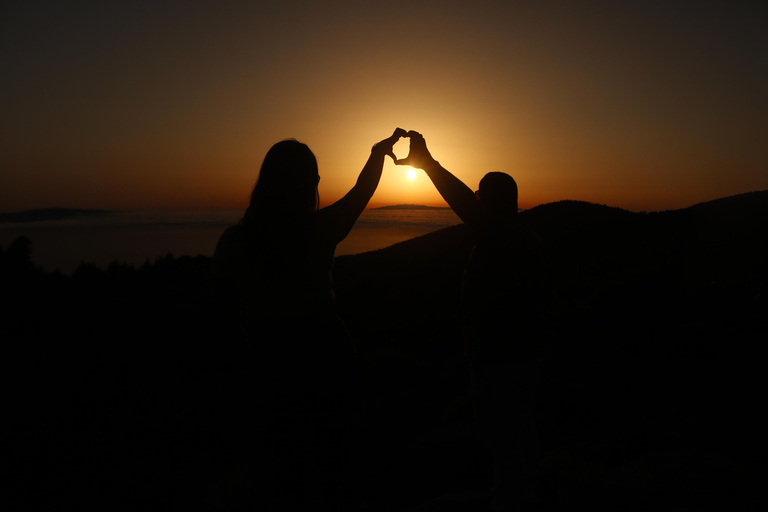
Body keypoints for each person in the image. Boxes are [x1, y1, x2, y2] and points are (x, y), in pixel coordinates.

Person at [212, 129, 406, 511]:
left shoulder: (233, 243)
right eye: (314, 178)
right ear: (306, 184)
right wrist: (377, 153)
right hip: (329, 359)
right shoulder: (320, 231)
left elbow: (221, 318)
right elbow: (361, 193)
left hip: (269, 368)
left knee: (284, 476)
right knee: (336, 468)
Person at [395, 131, 549, 512]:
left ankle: (513, 499)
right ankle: (527, 489)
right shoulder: (523, 238)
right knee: (518, 425)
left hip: (501, 356)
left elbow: (463, 203)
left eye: (483, 197)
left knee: (503, 434)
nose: (478, 202)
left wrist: (428, 163)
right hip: (521, 353)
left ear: (495, 202)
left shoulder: (500, 235)